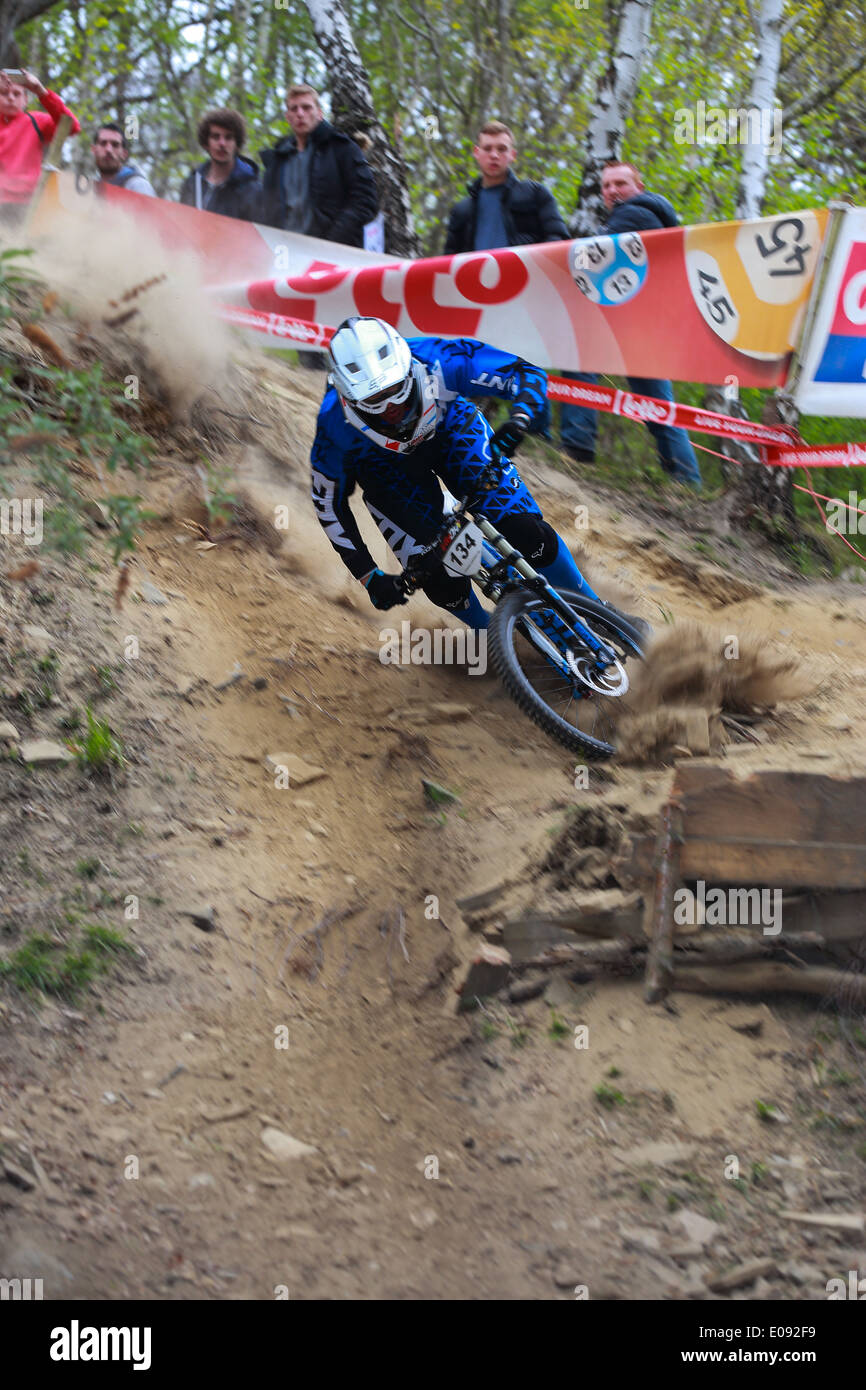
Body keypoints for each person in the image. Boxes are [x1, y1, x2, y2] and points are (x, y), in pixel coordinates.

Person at [311, 316, 647, 638]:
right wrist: (369, 576)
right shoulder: (333, 425)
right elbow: (329, 505)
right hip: (386, 471)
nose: (389, 407)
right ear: (346, 396)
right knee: (438, 579)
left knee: (523, 530)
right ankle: (493, 636)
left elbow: (525, 373)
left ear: (407, 365)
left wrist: (519, 420)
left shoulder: (439, 359)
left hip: (451, 431)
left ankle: (598, 610)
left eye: (396, 388)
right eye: (373, 400)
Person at [561, 160, 703, 489]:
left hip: (632, 323)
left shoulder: (635, 213)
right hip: (644, 323)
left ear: (638, 187)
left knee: (581, 365)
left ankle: (577, 448)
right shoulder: (648, 215)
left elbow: (594, 255)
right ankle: (687, 480)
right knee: (658, 407)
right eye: (607, 186)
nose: (612, 191)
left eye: (620, 184)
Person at [443, 120, 568, 441]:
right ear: (476, 153)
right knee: (474, 363)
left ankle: (539, 439)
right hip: (476, 300)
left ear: (513, 154)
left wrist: (533, 268)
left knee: (528, 362)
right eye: (487, 149)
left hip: (525, 295)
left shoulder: (536, 194)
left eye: (501, 149)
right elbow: (448, 260)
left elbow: (558, 237)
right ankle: (465, 432)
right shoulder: (463, 209)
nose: (494, 155)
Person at [259, 84, 377, 245]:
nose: (300, 114)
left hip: (334, 255)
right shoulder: (277, 160)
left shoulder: (342, 149)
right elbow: (267, 212)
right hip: (287, 256)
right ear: (287, 117)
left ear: (320, 113)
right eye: (294, 109)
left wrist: (332, 241)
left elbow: (365, 201)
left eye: (307, 108)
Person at [0, 68, 79, 213]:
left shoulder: (35, 120)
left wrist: (41, 91)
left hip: (29, 204)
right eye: (4, 93)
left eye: (16, 94)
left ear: (25, 99)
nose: (11, 98)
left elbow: (72, 126)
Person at [179, 108, 262, 221]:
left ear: (236, 144)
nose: (222, 143)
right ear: (206, 143)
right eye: (215, 137)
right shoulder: (192, 185)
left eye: (228, 137)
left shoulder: (253, 189)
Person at [92, 122, 155, 196]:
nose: (108, 150)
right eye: (103, 143)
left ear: (124, 154)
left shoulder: (137, 185)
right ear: (94, 150)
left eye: (115, 145)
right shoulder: (92, 189)